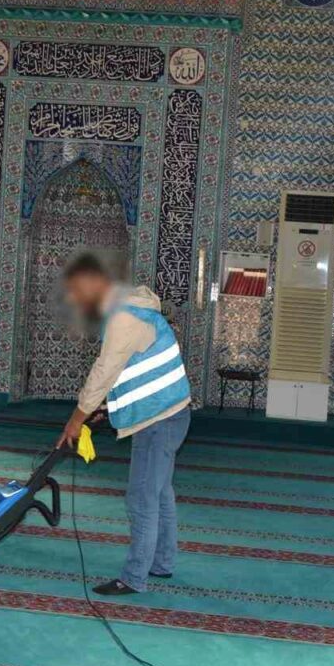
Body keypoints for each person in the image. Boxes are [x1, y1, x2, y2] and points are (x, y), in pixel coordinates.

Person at [55, 254, 192, 595]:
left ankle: (134, 577)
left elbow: (104, 372)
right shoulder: (133, 309)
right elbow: (130, 373)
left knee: (141, 497)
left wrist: (76, 419)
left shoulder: (122, 318)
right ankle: (161, 562)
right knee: (159, 493)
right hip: (169, 413)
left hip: (159, 420)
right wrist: (106, 407)